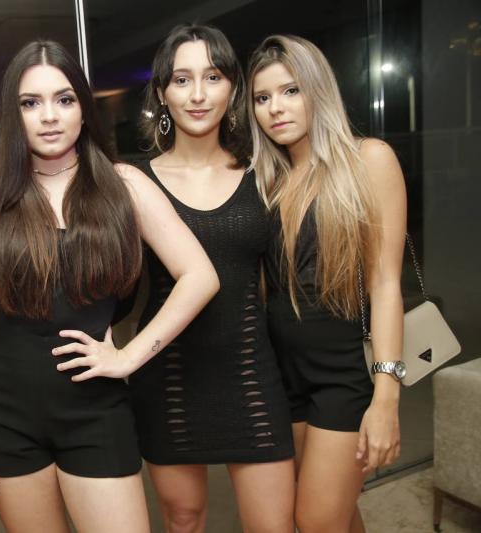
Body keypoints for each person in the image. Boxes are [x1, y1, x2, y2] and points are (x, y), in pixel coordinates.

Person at [0, 40, 219, 533]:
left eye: (64, 99)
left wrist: (129, 357)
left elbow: (200, 276)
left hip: (95, 411)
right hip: (4, 416)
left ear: (84, 109)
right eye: (31, 103)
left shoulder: (122, 185)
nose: (49, 116)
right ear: (13, 115)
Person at [129, 24, 295, 533]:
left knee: (274, 526)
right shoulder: (134, 180)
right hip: (169, 378)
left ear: (233, 88)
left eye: (213, 77)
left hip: (251, 375)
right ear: (162, 93)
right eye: (182, 80)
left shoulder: (267, 173)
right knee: (183, 520)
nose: (198, 94)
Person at [248, 34, 406, 532]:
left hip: (343, 374)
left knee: (315, 520)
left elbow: (385, 283)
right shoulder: (266, 181)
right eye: (262, 97)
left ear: (318, 90)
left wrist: (386, 397)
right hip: (283, 374)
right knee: (335, 513)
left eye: (290, 90)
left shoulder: (368, 159)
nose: (275, 108)